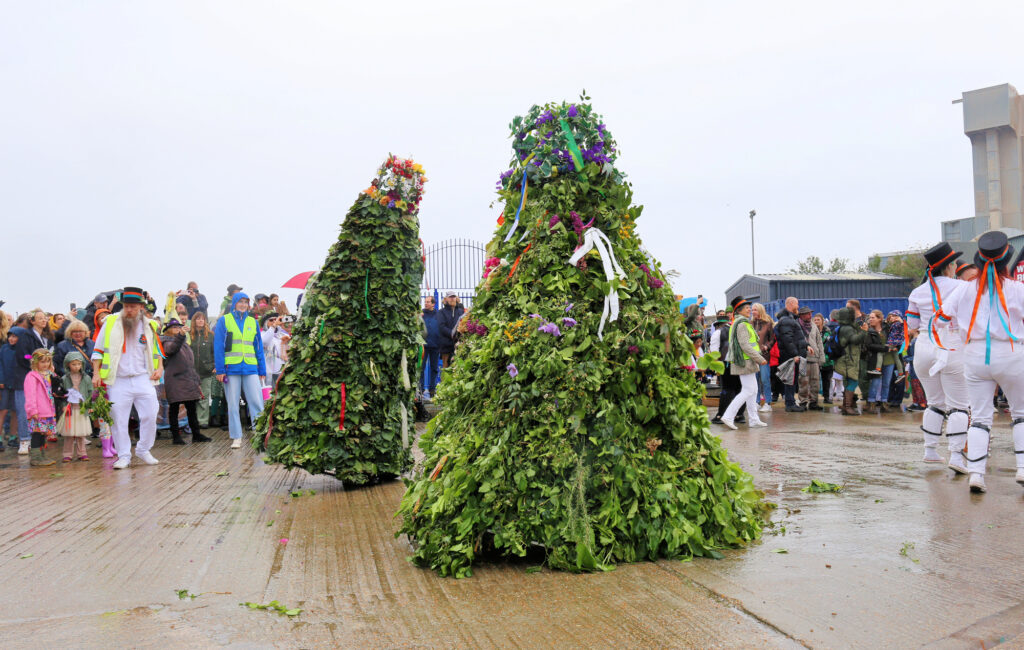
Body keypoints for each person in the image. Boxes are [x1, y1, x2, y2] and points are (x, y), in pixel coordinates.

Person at [944, 231, 1024, 493]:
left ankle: (976, 474)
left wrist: (959, 331)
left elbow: (942, 317)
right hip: (1011, 352)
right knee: (1021, 414)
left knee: (980, 417)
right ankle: (1022, 468)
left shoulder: (964, 289)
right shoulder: (1017, 289)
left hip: (976, 355)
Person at [905, 242, 969, 469]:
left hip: (923, 344)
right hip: (951, 341)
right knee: (959, 405)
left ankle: (930, 450)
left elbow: (911, 324)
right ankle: (956, 456)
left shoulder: (917, 291)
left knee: (934, 402)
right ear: (950, 265)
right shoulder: (961, 287)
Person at [91, 287, 165, 469]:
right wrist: (95, 373)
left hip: (142, 378)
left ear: (141, 306)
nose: (129, 310)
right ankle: (123, 455)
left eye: (133, 306)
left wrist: (160, 368)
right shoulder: (110, 323)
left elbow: (157, 351)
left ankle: (143, 449)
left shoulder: (149, 325)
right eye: (126, 306)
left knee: (151, 412)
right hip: (118, 379)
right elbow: (98, 350)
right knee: (118, 418)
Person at [214, 292, 266, 449]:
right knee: (233, 404)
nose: (243, 305)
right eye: (240, 302)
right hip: (231, 368)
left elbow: (258, 347)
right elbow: (218, 346)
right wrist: (220, 370)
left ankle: (260, 433)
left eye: (246, 302)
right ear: (235, 303)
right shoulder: (224, 320)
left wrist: (262, 368)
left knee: (256, 401)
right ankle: (236, 437)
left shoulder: (253, 321)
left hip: (250, 366)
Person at [719, 297, 768, 429]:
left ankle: (753, 419)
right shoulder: (741, 324)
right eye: (747, 308)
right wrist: (759, 358)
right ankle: (728, 416)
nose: (749, 310)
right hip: (744, 361)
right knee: (747, 390)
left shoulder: (743, 323)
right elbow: (745, 345)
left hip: (748, 361)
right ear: (739, 311)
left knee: (753, 390)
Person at [161, 319, 210, 445]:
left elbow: (189, 364)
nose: (178, 329)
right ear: (168, 331)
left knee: (191, 408)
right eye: (175, 327)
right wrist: (181, 335)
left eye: (179, 327)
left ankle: (196, 434)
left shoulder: (183, 343)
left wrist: (196, 379)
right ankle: (176, 437)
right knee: (174, 409)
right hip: (175, 380)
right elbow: (171, 350)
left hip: (188, 379)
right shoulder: (166, 341)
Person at [774, 297, 811, 412]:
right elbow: (788, 339)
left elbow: (796, 337)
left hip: (792, 354)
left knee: (792, 379)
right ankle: (790, 404)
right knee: (790, 379)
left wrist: (806, 345)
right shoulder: (786, 320)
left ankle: (791, 402)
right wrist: (794, 354)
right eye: (797, 304)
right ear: (791, 304)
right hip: (790, 355)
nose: (798, 306)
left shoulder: (790, 319)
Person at [24, 349, 58, 467]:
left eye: (48, 361)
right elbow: (30, 395)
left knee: (44, 434)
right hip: (38, 411)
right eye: (42, 362)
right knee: (37, 434)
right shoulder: (31, 376)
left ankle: (42, 455)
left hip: (48, 410)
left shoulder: (50, 375)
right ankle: (35, 457)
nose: (45, 364)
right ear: (35, 362)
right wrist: (32, 410)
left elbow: (56, 386)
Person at [59, 351, 93, 462]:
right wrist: (64, 405)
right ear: (68, 364)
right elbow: (61, 394)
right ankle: (67, 454)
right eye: (74, 364)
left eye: (79, 364)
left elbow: (90, 392)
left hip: (81, 408)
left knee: (80, 433)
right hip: (70, 409)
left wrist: (89, 405)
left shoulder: (86, 378)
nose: (76, 367)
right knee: (69, 433)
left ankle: (82, 453)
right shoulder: (64, 379)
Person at [834, 307, 868, 415]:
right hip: (849, 358)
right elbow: (854, 340)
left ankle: (845, 405)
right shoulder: (847, 328)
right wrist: (863, 331)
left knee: (850, 381)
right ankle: (848, 407)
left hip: (847, 358)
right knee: (853, 381)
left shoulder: (843, 327)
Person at [189, 312, 217, 428]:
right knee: (191, 397)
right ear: (194, 321)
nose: (200, 321)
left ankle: (203, 421)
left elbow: (215, 351)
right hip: (191, 372)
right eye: (198, 319)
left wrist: (215, 365)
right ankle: (192, 421)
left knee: (204, 396)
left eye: (203, 319)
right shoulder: (189, 335)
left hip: (207, 370)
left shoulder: (211, 335)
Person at [798, 306, 824, 410]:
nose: (810, 316)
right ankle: (803, 402)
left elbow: (819, 342)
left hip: (815, 358)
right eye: (807, 314)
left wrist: (821, 357)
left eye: (810, 314)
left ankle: (814, 402)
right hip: (803, 358)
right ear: (801, 315)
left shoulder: (814, 326)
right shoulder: (797, 326)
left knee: (815, 382)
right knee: (803, 381)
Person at [863, 310, 889, 413]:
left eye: (873, 317)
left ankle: (884, 403)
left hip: (888, 359)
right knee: (875, 381)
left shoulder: (887, 329)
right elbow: (869, 346)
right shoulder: (869, 331)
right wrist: (884, 348)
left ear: (880, 319)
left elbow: (896, 338)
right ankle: (871, 403)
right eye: (870, 318)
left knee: (886, 382)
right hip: (875, 359)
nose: (871, 320)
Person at [751, 303, 775, 412]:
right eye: (752, 310)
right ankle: (756, 402)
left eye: (755, 310)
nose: (753, 311)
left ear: (760, 310)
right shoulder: (750, 324)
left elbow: (772, 339)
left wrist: (767, 347)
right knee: (755, 380)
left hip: (764, 356)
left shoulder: (768, 324)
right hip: (753, 356)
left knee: (765, 379)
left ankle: (768, 403)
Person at [0, 328, 20, 450]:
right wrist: (1, 380)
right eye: (10, 336)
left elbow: (29, 357)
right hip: (5, 383)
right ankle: (0, 438)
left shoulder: (23, 349)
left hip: (18, 384)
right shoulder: (4, 349)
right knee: (3, 410)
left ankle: (13, 436)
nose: (11, 339)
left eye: (14, 337)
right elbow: (0, 364)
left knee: (15, 411)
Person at [260, 312, 288, 386]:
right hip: (268, 372)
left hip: (281, 370)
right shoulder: (261, 334)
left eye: (275, 319)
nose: (274, 322)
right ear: (265, 322)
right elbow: (265, 342)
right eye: (271, 320)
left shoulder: (282, 335)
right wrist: (273, 326)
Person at [422, 296, 442, 400]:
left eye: (428, 302)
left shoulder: (438, 315)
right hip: (424, 346)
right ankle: (421, 390)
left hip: (435, 345)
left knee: (434, 368)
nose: (426, 304)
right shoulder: (422, 314)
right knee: (422, 368)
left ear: (433, 304)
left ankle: (432, 390)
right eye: (425, 302)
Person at [438, 291, 465, 368]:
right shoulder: (441, 312)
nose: (452, 299)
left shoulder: (460, 311)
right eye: (450, 297)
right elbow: (441, 327)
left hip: (458, 344)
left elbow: (463, 324)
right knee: (446, 367)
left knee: (457, 367)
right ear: (446, 299)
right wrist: (451, 333)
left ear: (456, 298)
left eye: (453, 297)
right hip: (446, 345)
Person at [816, 314, 836, 405]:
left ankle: (826, 397)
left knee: (826, 380)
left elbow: (829, 345)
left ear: (822, 321)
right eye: (815, 320)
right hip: (815, 359)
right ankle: (814, 398)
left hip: (827, 360)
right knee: (814, 380)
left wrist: (827, 357)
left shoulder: (828, 332)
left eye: (818, 320)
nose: (816, 322)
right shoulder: (811, 332)